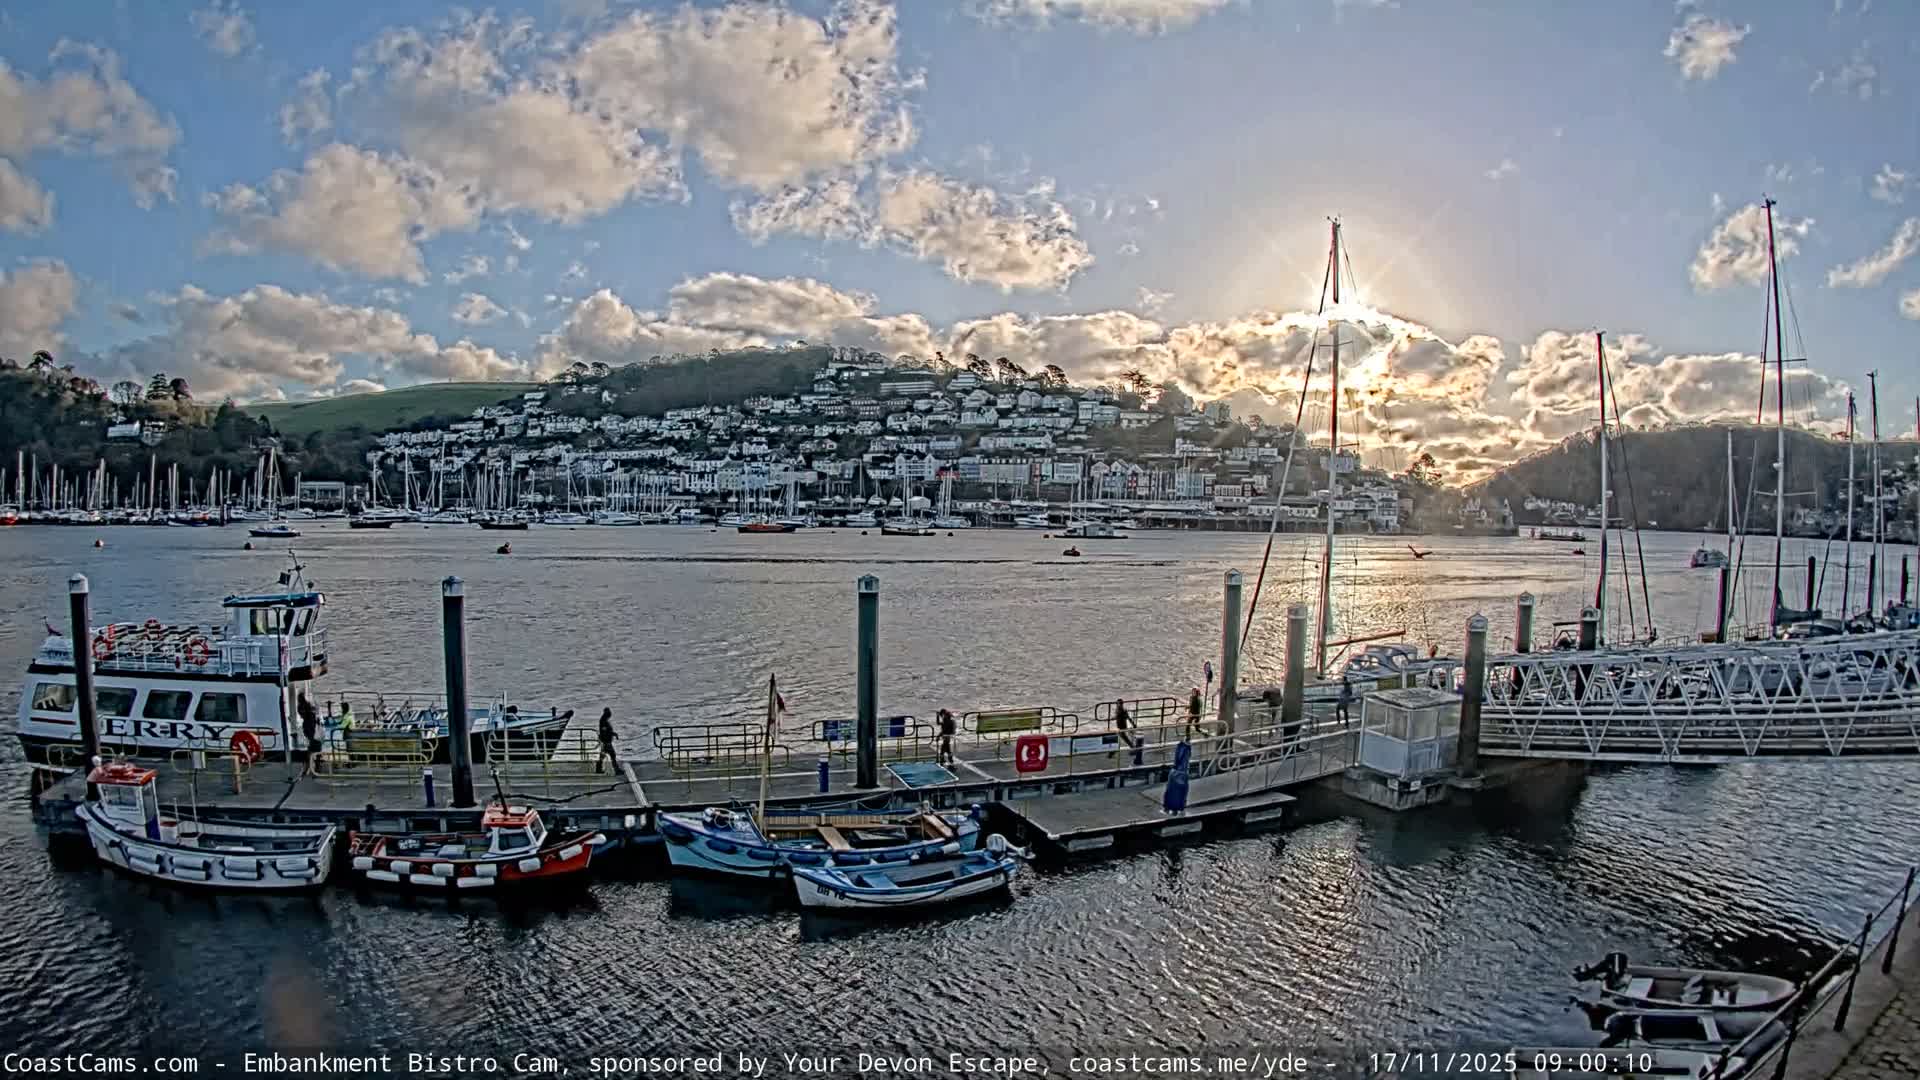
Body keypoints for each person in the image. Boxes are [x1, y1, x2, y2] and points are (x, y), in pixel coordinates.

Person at [298, 692, 321, 775]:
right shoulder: (308, 706)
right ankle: (316, 767)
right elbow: (314, 713)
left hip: (308, 729)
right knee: (316, 748)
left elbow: (302, 716)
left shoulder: (300, 707)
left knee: (310, 749)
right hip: (312, 728)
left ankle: (308, 768)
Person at [596, 707, 618, 774]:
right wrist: (613, 734)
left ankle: (598, 768)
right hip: (606, 741)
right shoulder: (603, 721)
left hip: (605, 741)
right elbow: (605, 732)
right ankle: (616, 770)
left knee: (603, 755)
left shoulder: (604, 720)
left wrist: (613, 734)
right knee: (612, 755)